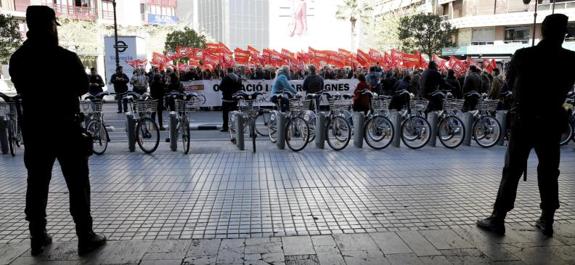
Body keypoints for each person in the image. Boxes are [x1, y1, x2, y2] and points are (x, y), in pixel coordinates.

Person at [9, 6, 106, 256]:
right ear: (51, 25)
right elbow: (82, 86)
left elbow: (22, 88)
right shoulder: (65, 58)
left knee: (37, 184)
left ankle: (37, 236)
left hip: (35, 130)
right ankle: (85, 236)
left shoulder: (18, 59)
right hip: (66, 129)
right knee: (77, 184)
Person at [477, 14, 575, 237]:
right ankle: (547, 219)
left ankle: (498, 218)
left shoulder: (523, 55)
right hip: (552, 122)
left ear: (542, 31)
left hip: (524, 121)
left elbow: (511, 83)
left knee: (512, 170)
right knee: (550, 171)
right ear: (563, 34)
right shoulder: (571, 59)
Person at [219, 68, 242, 132]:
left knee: (225, 114)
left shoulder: (226, 78)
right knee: (235, 113)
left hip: (226, 98)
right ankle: (235, 127)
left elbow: (220, 87)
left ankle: (225, 127)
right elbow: (240, 87)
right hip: (235, 99)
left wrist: (227, 91)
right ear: (233, 71)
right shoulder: (238, 78)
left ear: (227, 71)